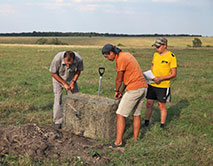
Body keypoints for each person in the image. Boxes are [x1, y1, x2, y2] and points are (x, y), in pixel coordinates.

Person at [102, 44, 147, 147]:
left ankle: (118, 142)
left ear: (112, 53)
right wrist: (121, 91)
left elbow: (119, 78)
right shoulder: (126, 55)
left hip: (134, 89)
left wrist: (116, 90)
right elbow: (128, 76)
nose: (107, 59)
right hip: (143, 87)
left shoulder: (121, 59)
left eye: (106, 56)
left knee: (120, 114)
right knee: (136, 114)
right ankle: (135, 139)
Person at [144, 37, 177, 129]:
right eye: (155, 47)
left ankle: (162, 125)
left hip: (163, 86)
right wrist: (148, 76)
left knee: (161, 105)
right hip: (152, 84)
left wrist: (161, 78)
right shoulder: (155, 55)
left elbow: (174, 74)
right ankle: (146, 123)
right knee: (149, 103)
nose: (156, 48)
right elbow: (152, 66)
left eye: (158, 47)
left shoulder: (171, 56)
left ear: (164, 46)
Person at [49, 51, 84, 129]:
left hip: (71, 78)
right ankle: (58, 121)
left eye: (70, 64)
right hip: (58, 77)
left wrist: (73, 82)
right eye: (66, 63)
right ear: (63, 59)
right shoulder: (57, 59)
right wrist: (64, 84)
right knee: (58, 98)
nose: (68, 65)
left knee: (75, 98)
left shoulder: (79, 59)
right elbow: (53, 73)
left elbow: (78, 71)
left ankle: (74, 120)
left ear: (74, 59)